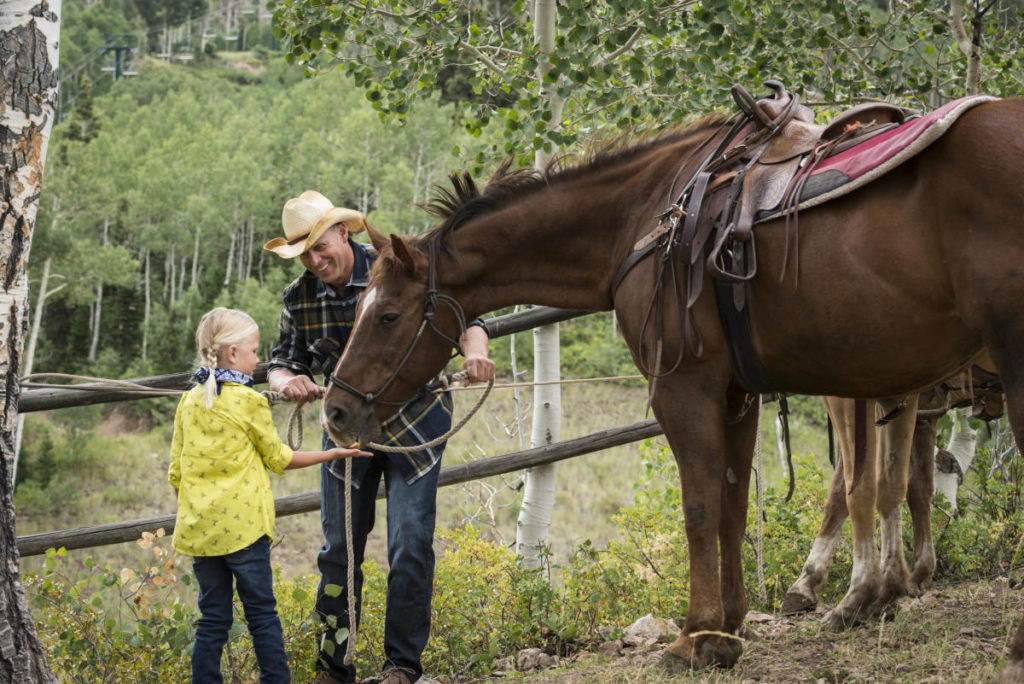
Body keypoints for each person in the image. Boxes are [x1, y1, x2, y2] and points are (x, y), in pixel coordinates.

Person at [263, 191, 495, 684]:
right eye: (304, 253)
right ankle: (333, 665)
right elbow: (282, 362)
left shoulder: (398, 267)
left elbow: (467, 317)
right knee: (337, 548)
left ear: (343, 233)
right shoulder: (298, 297)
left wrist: (473, 350)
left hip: (415, 422)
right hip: (346, 430)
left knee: (410, 543)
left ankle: (402, 665)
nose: (314, 260)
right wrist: (288, 382)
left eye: (320, 247)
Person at [169, 306, 371, 684]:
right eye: (254, 351)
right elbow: (279, 458)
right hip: (245, 531)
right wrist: (332, 452)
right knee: (261, 613)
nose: (259, 359)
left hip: (200, 534)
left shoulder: (189, 401)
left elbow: (176, 472)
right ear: (232, 354)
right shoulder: (249, 401)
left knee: (211, 617)